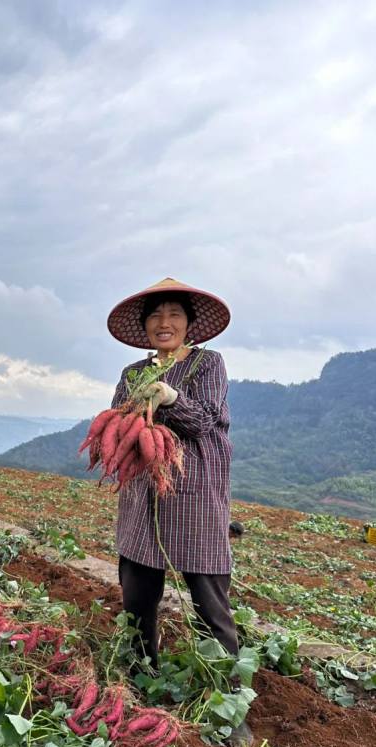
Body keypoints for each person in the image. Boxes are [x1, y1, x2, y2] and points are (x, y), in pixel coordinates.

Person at [107, 277, 239, 668]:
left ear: (188, 324)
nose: (165, 322)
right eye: (157, 316)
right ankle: (140, 671)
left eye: (175, 314)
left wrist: (171, 397)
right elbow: (119, 420)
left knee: (208, 596)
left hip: (195, 491)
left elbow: (202, 422)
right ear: (146, 326)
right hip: (142, 492)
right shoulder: (133, 373)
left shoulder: (208, 364)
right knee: (138, 594)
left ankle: (226, 698)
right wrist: (127, 423)